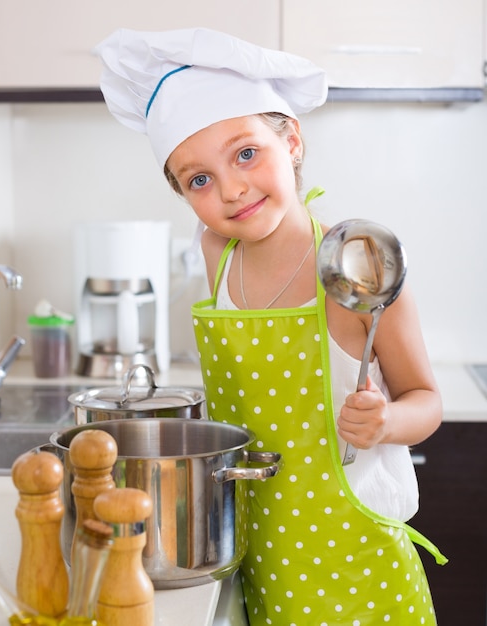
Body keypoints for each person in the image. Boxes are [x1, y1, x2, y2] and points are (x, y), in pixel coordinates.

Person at [95, 27, 447, 625]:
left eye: (246, 154)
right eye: (198, 180)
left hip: (357, 566)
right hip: (250, 550)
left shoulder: (358, 264)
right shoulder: (216, 253)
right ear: (182, 193)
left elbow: (427, 402)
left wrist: (386, 421)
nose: (230, 189)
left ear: (292, 141)